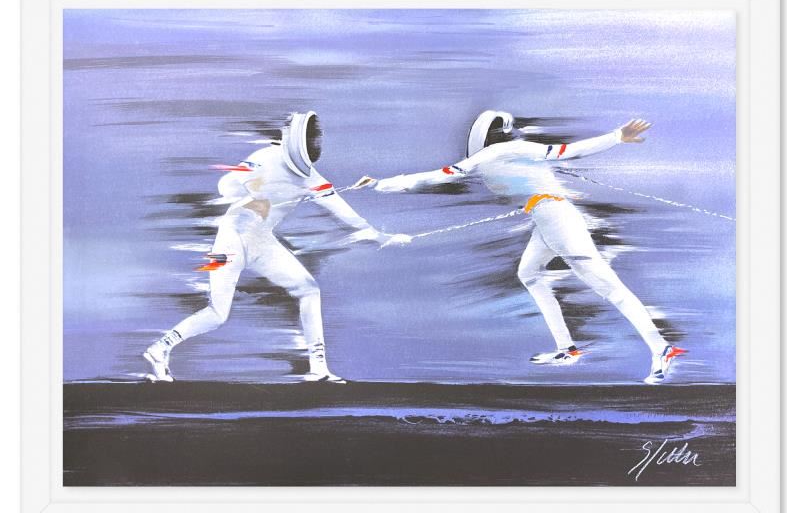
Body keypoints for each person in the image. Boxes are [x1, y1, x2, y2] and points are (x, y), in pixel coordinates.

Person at [355, 111, 685, 384]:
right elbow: (563, 155)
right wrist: (615, 137)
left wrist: (381, 185)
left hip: (557, 220)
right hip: (548, 219)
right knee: (529, 273)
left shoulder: (495, 153)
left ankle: (661, 348)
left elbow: (438, 176)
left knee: (609, 287)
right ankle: (567, 348)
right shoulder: (513, 153)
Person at [145, 111, 405, 384]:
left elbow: (342, 210)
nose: (316, 144)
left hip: (260, 240)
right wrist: (253, 190)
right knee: (218, 314)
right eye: (313, 138)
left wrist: (381, 237)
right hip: (231, 237)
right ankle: (161, 348)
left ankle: (318, 369)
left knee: (307, 290)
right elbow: (226, 185)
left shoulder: (310, 177)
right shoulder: (265, 157)